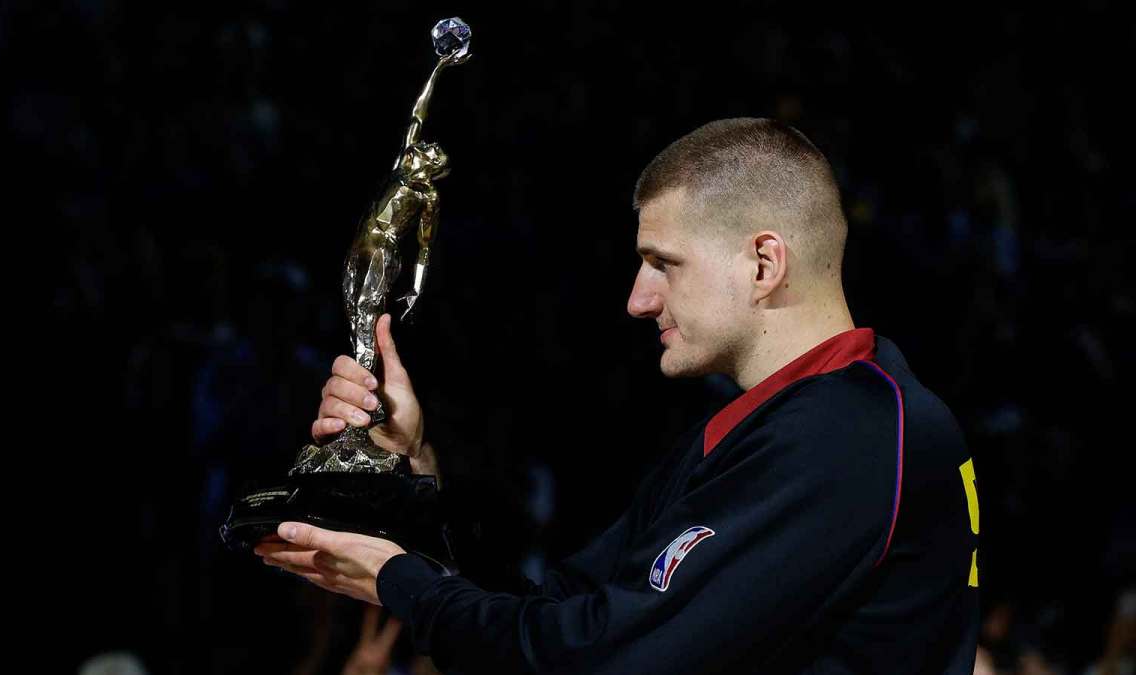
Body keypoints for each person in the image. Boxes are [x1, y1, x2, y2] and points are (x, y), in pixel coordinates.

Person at [255, 117, 981, 674]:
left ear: (764, 262)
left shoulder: (852, 434)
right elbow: (558, 610)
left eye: (663, 263)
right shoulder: (780, 425)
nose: (638, 299)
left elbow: (599, 659)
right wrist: (416, 478)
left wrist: (399, 579)